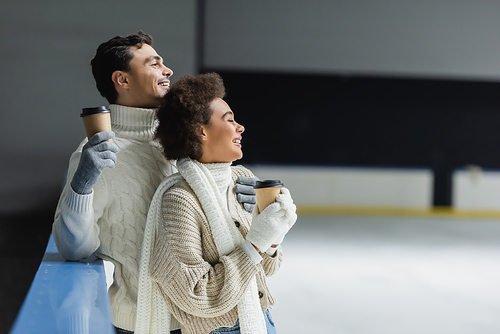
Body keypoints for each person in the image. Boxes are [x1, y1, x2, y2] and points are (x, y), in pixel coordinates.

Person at [52, 32, 257, 334]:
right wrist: (82, 184)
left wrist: (243, 201)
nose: (168, 70)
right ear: (122, 79)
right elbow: (74, 250)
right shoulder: (95, 154)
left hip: (213, 318)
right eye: (154, 63)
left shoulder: (185, 136)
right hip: (142, 323)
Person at [135, 73, 297, 334]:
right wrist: (256, 242)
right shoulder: (180, 200)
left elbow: (267, 268)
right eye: (230, 120)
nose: (240, 127)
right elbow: (197, 294)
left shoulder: (242, 179)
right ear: (201, 131)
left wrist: (275, 232)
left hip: (259, 317)